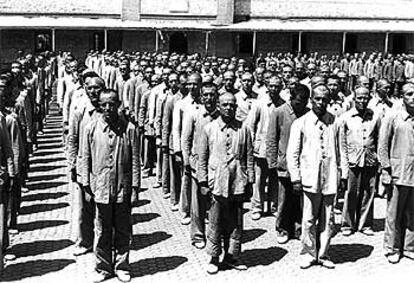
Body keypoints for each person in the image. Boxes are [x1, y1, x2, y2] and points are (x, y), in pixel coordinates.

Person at [81, 89, 140, 282]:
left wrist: (135, 189)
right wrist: (86, 185)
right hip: (101, 188)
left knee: (123, 229)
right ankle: (103, 267)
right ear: (99, 105)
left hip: (122, 188)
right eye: (104, 104)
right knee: (102, 229)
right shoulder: (90, 128)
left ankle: (122, 266)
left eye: (112, 103)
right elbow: (85, 159)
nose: (108, 108)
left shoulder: (129, 129)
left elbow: (134, 161)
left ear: (119, 104)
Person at [198, 92, 254, 275]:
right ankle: (214, 257)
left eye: (232, 105)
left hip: (237, 180)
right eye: (225, 105)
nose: (229, 108)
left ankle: (232, 256)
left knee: (235, 221)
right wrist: (203, 181)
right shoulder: (209, 129)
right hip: (217, 182)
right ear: (218, 106)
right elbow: (202, 158)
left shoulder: (243, 129)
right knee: (215, 221)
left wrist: (250, 180)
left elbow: (249, 156)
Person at [287, 84, 340, 269]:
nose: (321, 102)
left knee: (328, 218)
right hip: (310, 178)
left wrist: (341, 175)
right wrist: (295, 178)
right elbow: (292, 153)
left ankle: (324, 254)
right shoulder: (300, 123)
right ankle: (308, 253)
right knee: (308, 219)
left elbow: (341, 151)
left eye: (324, 99)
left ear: (329, 101)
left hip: (330, 177)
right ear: (311, 100)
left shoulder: (335, 121)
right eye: (317, 98)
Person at [266, 84, 310, 244]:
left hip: (303, 165)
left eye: (305, 102)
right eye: (299, 102)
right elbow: (271, 139)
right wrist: (272, 164)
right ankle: (282, 229)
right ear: (291, 98)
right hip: (284, 165)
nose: (302, 105)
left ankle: (298, 228)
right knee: (283, 200)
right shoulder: (279, 112)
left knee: (299, 200)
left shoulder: (308, 113)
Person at [68, 74, 105, 256]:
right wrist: (72, 164)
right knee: (85, 207)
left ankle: (105, 242)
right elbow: (72, 139)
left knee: (105, 208)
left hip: (105, 167)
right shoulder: (79, 112)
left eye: (97, 87)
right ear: (85, 88)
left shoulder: (110, 110)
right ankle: (85, 242)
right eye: (90, 88)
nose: (93, 91)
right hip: (85, 166)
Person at [378, 83, 414, 264]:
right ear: (402, 97)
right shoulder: (393, 117)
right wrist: (385, 169)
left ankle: (409, 247)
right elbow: (382, 145)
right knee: (394, 213)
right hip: (398, 173)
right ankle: (391, 248)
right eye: (409, 94)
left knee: (412, 213)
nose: (413, 97)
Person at [182, 82, 219, 249]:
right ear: (201, 97)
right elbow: (186, 139)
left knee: (214, 202)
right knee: (197, 204)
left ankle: (214, 234)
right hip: (198, 165)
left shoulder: (221, 115)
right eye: (206, 95)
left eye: (212, 95)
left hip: (217, 166)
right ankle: (197, 235)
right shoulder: (193, 115)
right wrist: (187, 161)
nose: (209, 98)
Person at [339, 87, 379, 237]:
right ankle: (347, 224)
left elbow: (378, 138)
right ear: (354, 99)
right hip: (353, 160)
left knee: (368, 193)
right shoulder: (346, 117)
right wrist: (344, 166)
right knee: (351, 193)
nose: (362, 101)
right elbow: (342, 145)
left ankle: (365, 224)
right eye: (359, 98)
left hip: (369, 160)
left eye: (365, 98)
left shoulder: (375, 116)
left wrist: (377, 159)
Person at [247, 76, 284, 221]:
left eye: (277, 86)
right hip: (261, 148)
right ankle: (257, 207)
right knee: (259, 180)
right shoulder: (259, 104)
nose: (274, 89)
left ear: (281, 87)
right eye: (272, 86)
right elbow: (250, 126)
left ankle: (274, 206)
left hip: (276, 149)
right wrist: (251, 146)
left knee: (275, 179)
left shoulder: (283, 105)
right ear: (267, 87)